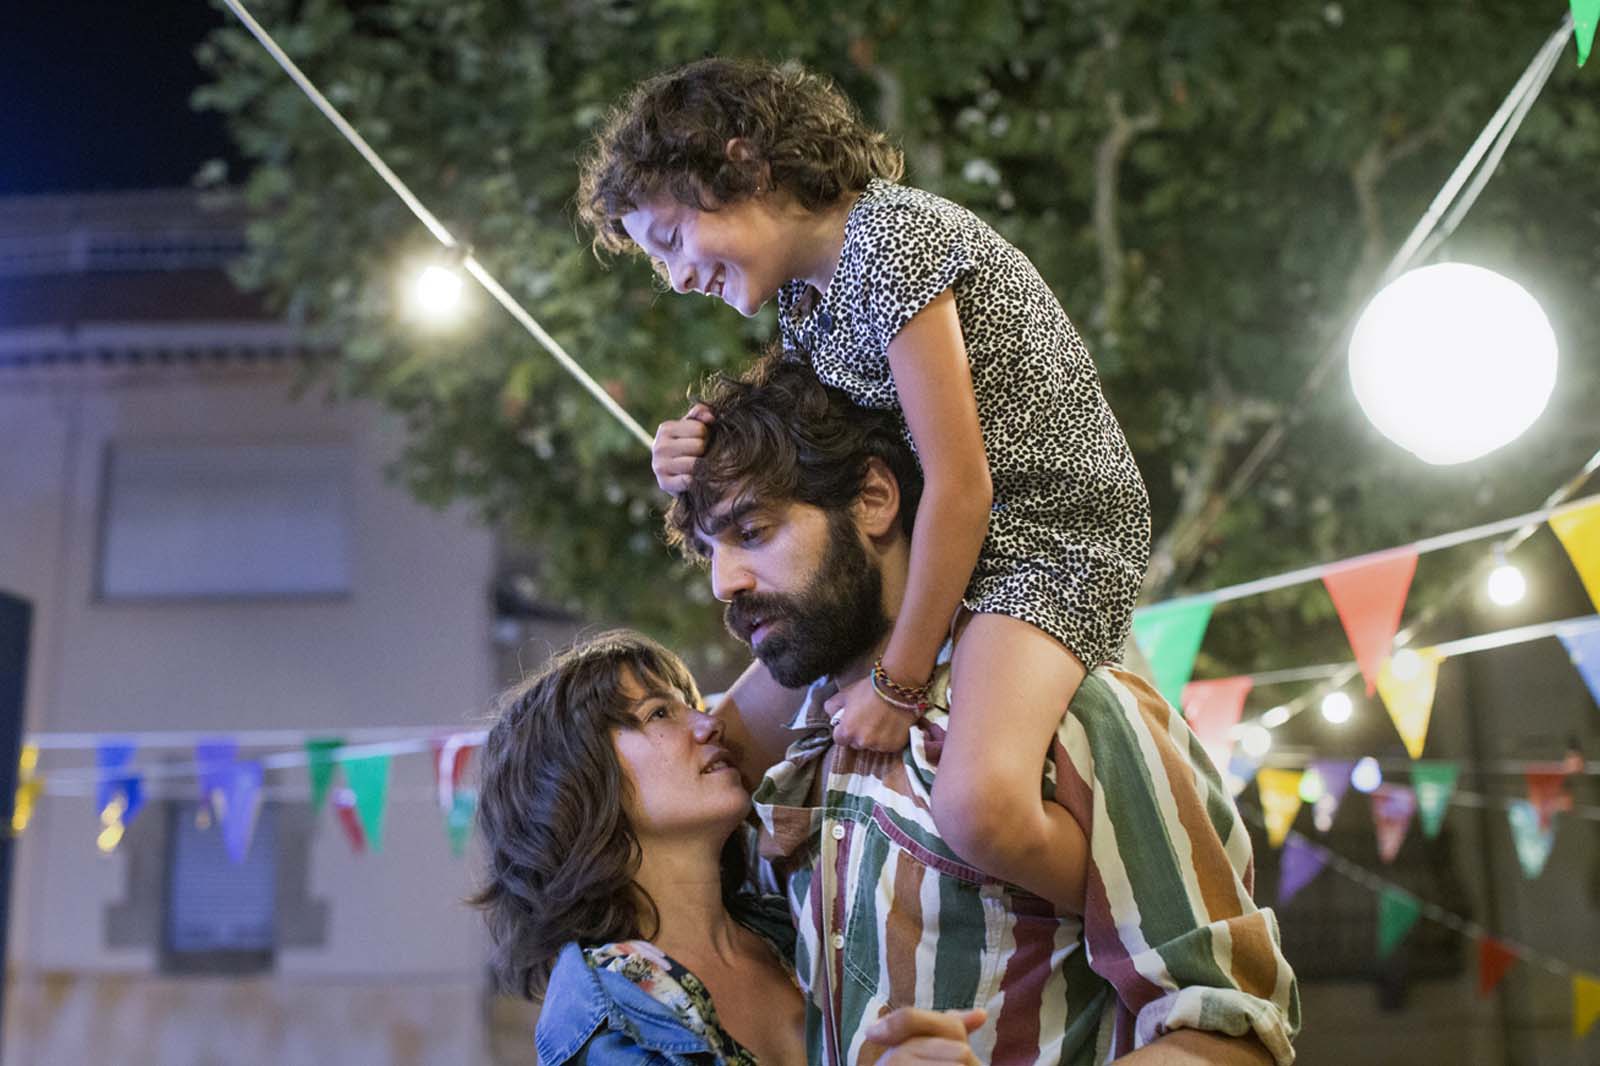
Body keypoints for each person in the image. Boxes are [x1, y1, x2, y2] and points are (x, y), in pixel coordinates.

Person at [578, 56, 1150, 915]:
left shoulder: (890, 243)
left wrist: (898, 684)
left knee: (978, 807)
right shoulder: (809, 302)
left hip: (1046, 541)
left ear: (745, 165)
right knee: (737, 741)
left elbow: (962, 486)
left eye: (669, 242)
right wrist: (688, 447)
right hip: (949, 543)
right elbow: (803, 447)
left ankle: (1145, 917)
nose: (677, 279)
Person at [667, 358, 1299, 1064]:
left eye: (752, 531)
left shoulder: (1072, 715)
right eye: (708, 551)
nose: (724, 582)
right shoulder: (795, 754)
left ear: (874, 498)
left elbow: (1235, 1032)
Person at [471, 630, 989, 1065]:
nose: (709, 724)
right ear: (574, 785)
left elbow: (827, 631)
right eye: (659, 714)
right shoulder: (604, 1018)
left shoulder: (792, 920)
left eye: (693, 707)